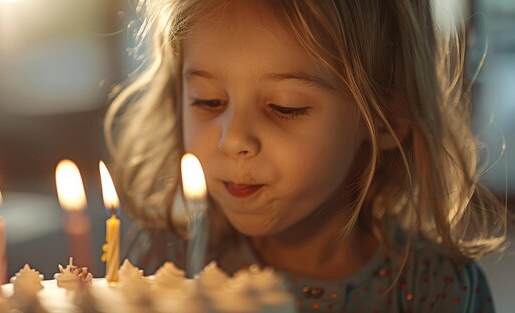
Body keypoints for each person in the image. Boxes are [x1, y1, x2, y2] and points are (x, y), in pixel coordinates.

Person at [104, 0, 508, 312]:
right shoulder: (163, 263)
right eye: (208, 101)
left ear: (386, 118)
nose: (233, 139)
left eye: (285, 107)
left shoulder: (437, 289)